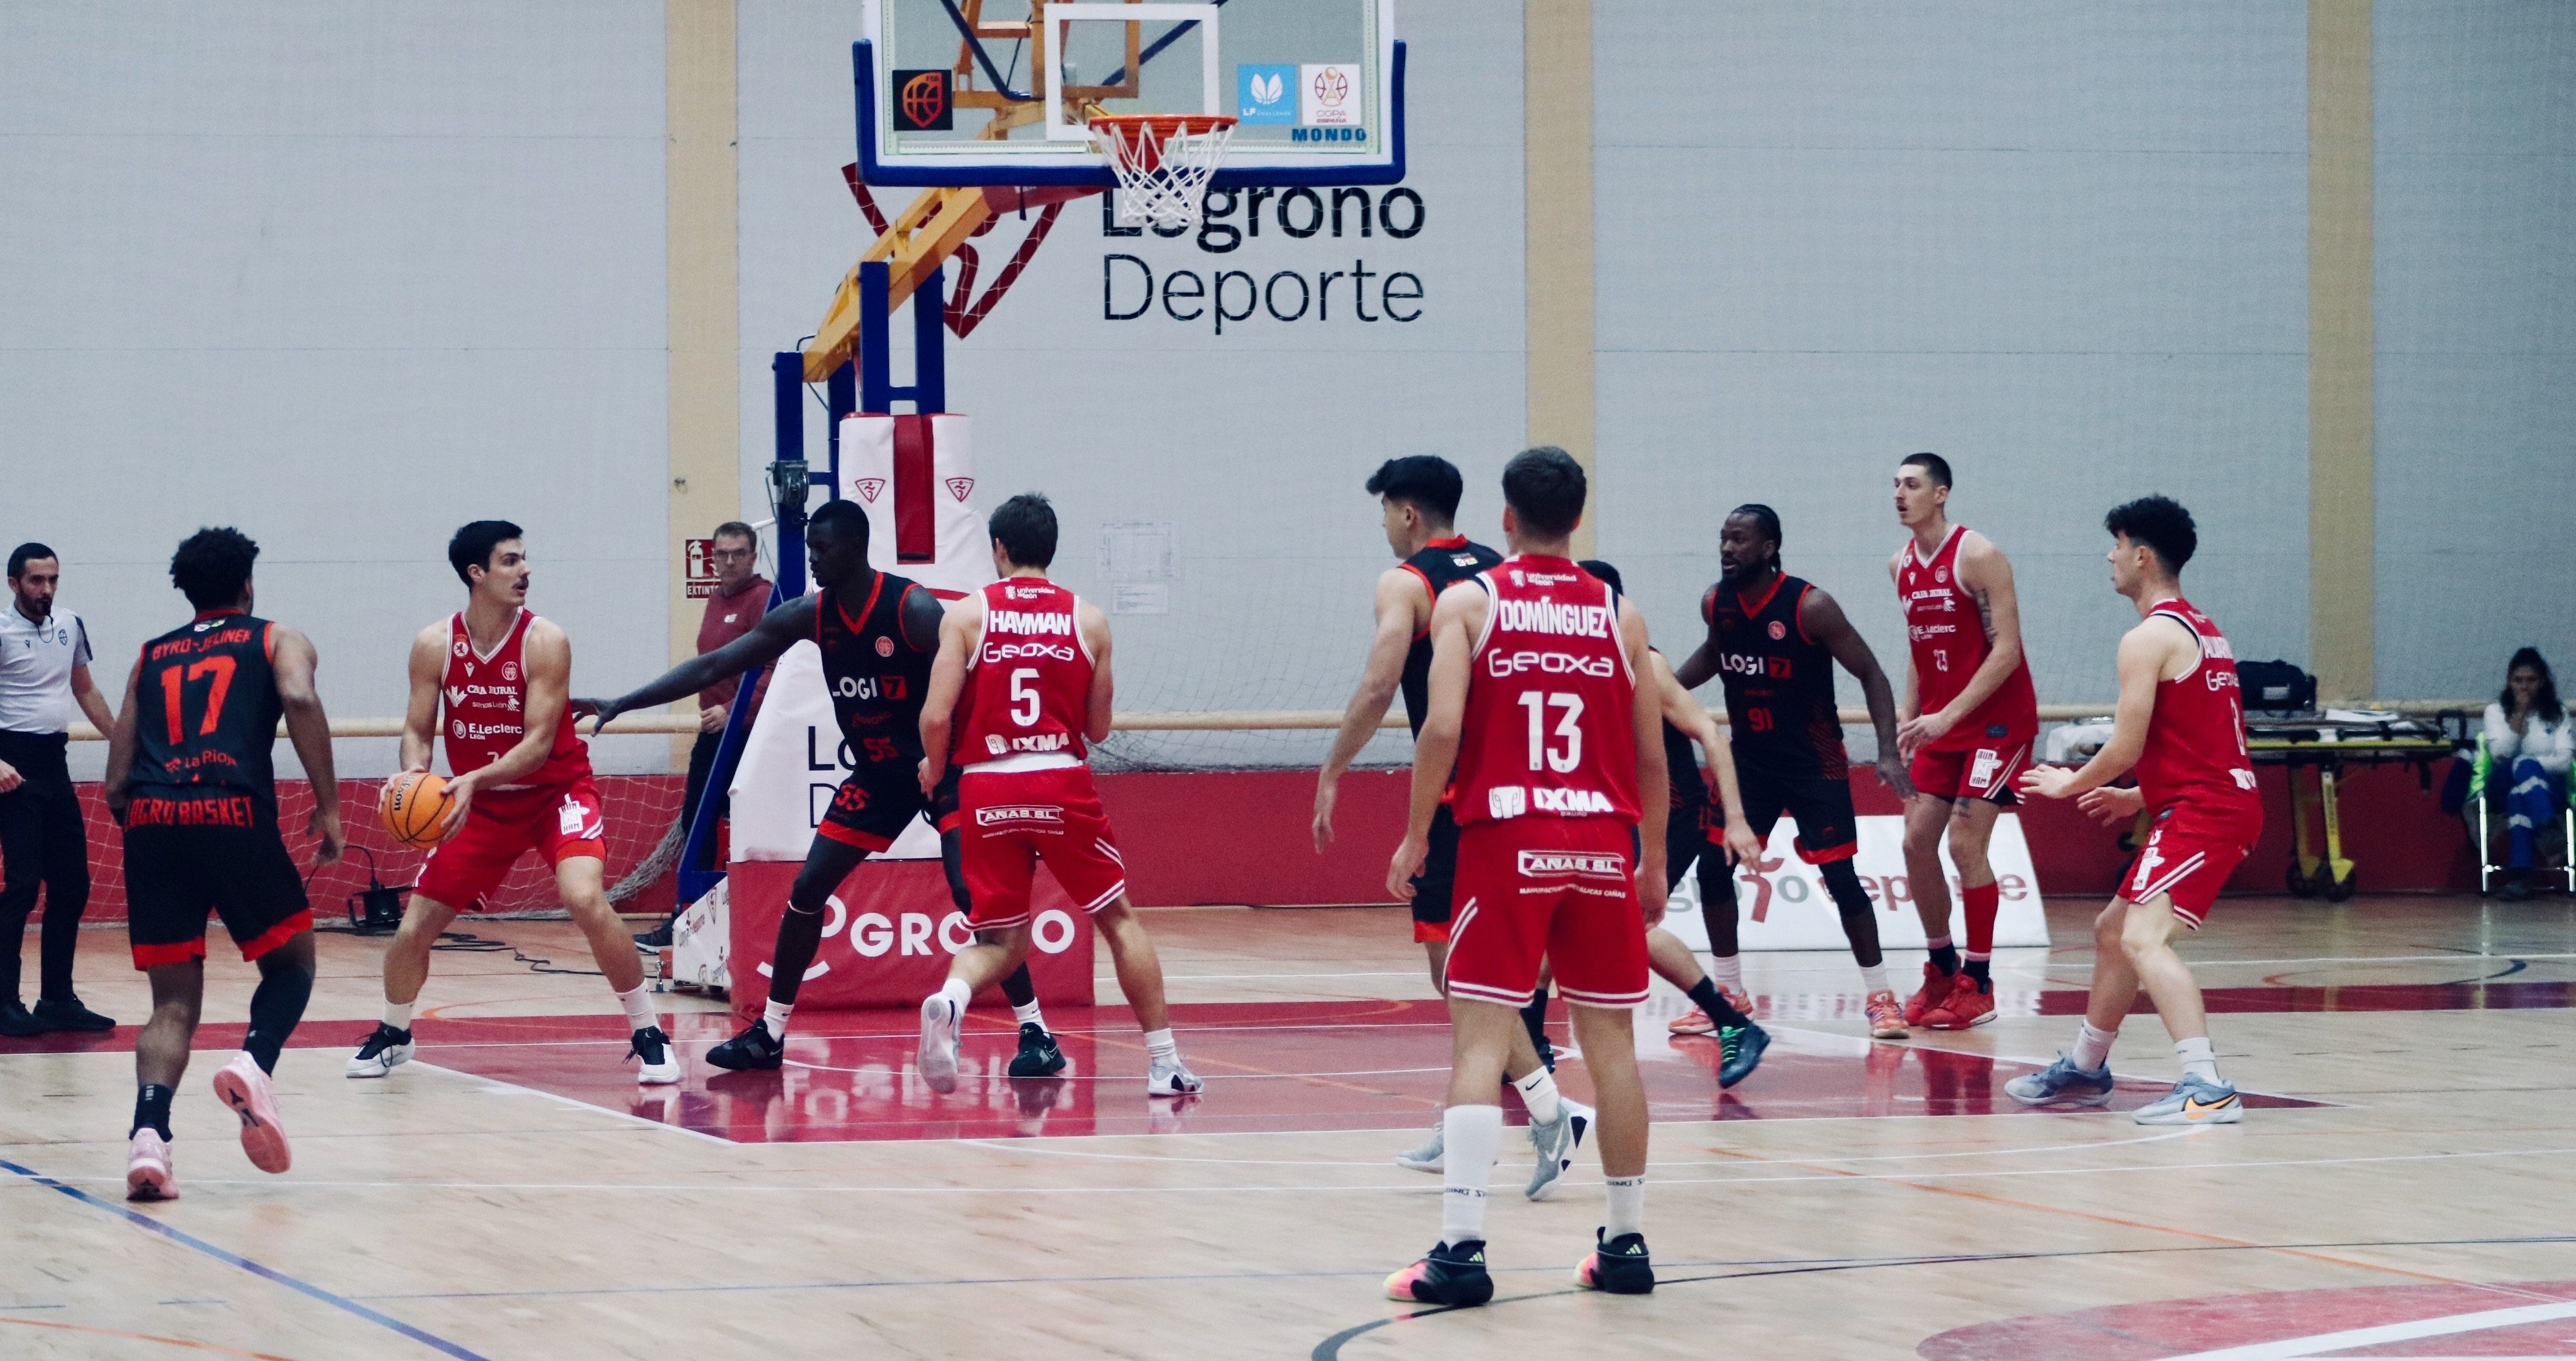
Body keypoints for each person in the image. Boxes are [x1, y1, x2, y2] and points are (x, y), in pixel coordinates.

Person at [581, 500, 1061, 1077]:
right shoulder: (811, 614)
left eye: (823, 549)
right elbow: (715, 665)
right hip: (881, 773)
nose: (812, 559)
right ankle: (770, 1034)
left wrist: (975, 760)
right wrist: (624, 700)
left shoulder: (912, 609)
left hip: (944, 768)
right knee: (808, 886)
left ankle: (1037, 1034)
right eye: (810, 547)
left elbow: (975, 686)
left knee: (973, 896)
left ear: (855, 548)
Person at [1382, 448, 1668, 1306]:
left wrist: (1413, 834)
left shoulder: (1471, 601)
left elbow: (1440, 730)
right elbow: (1653, 755)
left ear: (1506, 517)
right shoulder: (1620, 613)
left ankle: (1461, 1254)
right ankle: (1625, 1245)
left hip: (1510, 838)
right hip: (1601, 843)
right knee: (1611, 1049)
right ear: (1578, 517)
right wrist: (1649, 858)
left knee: (1480, 1040)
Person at [1311, 456, 1590, 1186]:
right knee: (1473, 974)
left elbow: (1379, 683)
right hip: (1534, 794)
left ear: (1407, 513)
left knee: (1461, 973)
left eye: (1384, 514)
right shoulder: (1502, 571)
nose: (1384, 529)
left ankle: (1542, 1107)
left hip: (1461, 801)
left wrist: (1334, 767)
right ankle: (1521, 1107)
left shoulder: (1408, 582)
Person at [347, 522, 679, 1084]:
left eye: (525, 559)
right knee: (412, 929)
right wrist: (413, 772)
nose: (525, 570)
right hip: (482, 803)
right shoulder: (434, 644)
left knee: (584, 897)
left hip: (556, 792)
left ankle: (649, 1031)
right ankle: (395, 1032)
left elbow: (538, 745)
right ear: (476, 574)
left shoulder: (544, 640)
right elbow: (418, 730)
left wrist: (472, 777)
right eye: (509, 561)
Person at [912, 494, 1199, 1098]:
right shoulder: (1089, 620)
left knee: (1000, 940)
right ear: (1052, 548)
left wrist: (935, 770)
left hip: (987, 783)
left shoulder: (965, 616)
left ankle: (951, 998)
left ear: (999, 549)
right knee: (1118, 920)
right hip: (1059, 778)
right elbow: (1098, 729)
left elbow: (936, 716)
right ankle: (1164, 1062)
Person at [102, 528, 342, 1199]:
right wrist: (329, 805)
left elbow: (115, 780)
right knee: (292, 962)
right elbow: (297, 696)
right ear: (248, 583)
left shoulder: (149, 656)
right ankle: (254, 1061)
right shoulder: (275, 637)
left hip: (152, 821)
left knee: (172, 1003)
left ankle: (149, 1140)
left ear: (188, 590)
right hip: (230, 811)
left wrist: (153, 829)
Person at [2008, 495, 2260, 1125]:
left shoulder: (2146, 638)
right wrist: (2138, 795)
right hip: (2209, 801)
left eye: (2117, 545)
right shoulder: (2203, 627)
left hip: (2208, 812)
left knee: (2144, 939)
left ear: (2141, 555)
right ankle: (2088, 1067)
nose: (2111, 557)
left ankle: (2207, 1084)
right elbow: (2203, 740)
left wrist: (2070, 782)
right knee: (2111, 932)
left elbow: (2125, 744)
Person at [1673, 505, 1918, 1039]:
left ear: (1769, 547)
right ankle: (1730, 994)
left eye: (1740, 540)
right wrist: (1661, 689)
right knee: (1712, 870)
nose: (1727, 549)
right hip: (1749, 764)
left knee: (1840, 878)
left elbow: (1872, 672)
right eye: (1723, 539)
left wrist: (1887, 749)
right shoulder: (1716, 602)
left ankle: (1880, 997)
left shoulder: (1811, 606)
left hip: (1814, 763)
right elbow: (1715, 654)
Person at [1579, 560, 1770, 1088]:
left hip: (1671, 816)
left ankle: (1733, 1022)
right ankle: (1733, 1022)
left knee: (1625, 926)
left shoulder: (1648, 665)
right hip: (1618, 815)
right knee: (1580, 926)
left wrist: (1734, 817)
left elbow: (1711, 732)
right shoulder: (1576, 660)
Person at [1888, 453, 2038, 1031]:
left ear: (1942, 493)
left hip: (1995, 726)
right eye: (1895, 485)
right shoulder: (1900, 563)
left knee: (1964, 844)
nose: (1900, 493)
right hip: (1941, 725)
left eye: (1912, 484)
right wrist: (1910, 715)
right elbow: (1919, 645)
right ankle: (1941, 968)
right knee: (1914, 842)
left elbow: (2008, 650)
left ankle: (1980, 981)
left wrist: (1948, 715)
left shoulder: (1978, 555)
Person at [634, 520, 771, 950]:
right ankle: (691, 922)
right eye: (722, 554)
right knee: (697, 823)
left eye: (738, 553)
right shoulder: (716, 599)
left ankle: (747, 923)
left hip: (748, 735)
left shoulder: (764, 599)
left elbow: (774, 670)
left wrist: (732, 712)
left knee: (750, 829)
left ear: (753, 556)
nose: (729, 561)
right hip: (714, 734)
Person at [0, 543, 118, 1035]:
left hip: (55, 763)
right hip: (12, 769)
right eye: (35, 581)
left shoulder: (70, 624)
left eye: (52, 579)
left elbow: (84, 688)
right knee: (23, 885)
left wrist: (126, 742)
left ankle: (57, 999)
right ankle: (5, 1000)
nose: (46, 589)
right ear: (14, 583)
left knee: (73, 884)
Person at [2482, 647, 2572, 901]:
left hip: (2545, 788)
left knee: (2519, 797)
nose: (2524, 687)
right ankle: (2547, 828)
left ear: (2542, 682)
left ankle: (2521, 877)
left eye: (2531, 681)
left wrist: (2528, 762)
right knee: (2518, 767)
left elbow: (2565, 762)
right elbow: (2501, 754)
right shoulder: (2496, 712)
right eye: (2518, 681)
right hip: (2501, 780)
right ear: (2509, 682)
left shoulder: (2558, 715)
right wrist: (2519, 716)